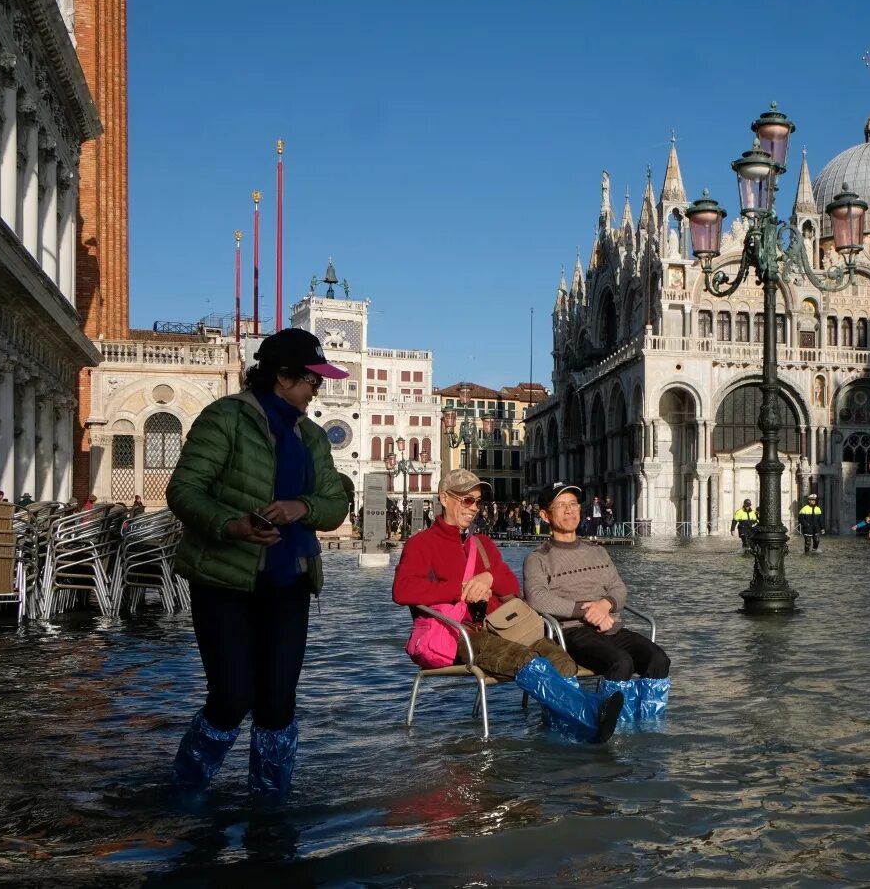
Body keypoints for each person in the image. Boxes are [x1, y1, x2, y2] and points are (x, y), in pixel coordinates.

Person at [164, 327, 351, 800]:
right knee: (230, 698)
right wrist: (233, 526)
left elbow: (334, 504)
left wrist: (300, 508)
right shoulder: (223, 418)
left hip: (289, 581)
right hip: (224, 580)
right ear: (283, 376)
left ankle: (270, 806)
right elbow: (183, 491)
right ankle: (184, 791)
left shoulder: (311, 436)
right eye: (312, 380)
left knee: (277, 703)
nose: (316, 390)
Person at [393, 470, 623, 743]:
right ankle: (589, 714)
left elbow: (511, 587)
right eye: (467, 500)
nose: (474, 508)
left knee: (560, 659)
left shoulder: (483, 543)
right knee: (526, 659)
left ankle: (566, 729)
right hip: (459, 635)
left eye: (477, 502)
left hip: (499, 625)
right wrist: (460, 589)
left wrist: (489, 576)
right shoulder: (422, 544)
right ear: (444, 498)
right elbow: (403, 590)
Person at [525, 482, 670, 722]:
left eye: (573, 504)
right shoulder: (537, 558)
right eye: (561, 506)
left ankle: (649, 723)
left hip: (609, 624)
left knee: (659, 659)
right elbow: (537, 598)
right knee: (621, 662)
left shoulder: (598, 551)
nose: (569, 511)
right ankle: (610, 724)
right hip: (571, 632)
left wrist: (605, 606)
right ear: (544, 515)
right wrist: (584, 611)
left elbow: (618, 588)